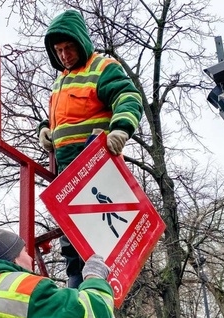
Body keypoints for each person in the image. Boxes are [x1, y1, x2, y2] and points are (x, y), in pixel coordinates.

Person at [37, 10, 144, 287]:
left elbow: (128, 96)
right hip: (68, 170)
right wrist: (45, 128)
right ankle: (77, 285)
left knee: (98, 233)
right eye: (58, 50)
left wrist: (121, 129)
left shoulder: (102, 67)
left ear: (80, 42)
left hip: (94, 164)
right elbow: (61, 117)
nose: (63, 55)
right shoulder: (60, 81)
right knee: (72, 234)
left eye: (68, 47)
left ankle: (97, 287)